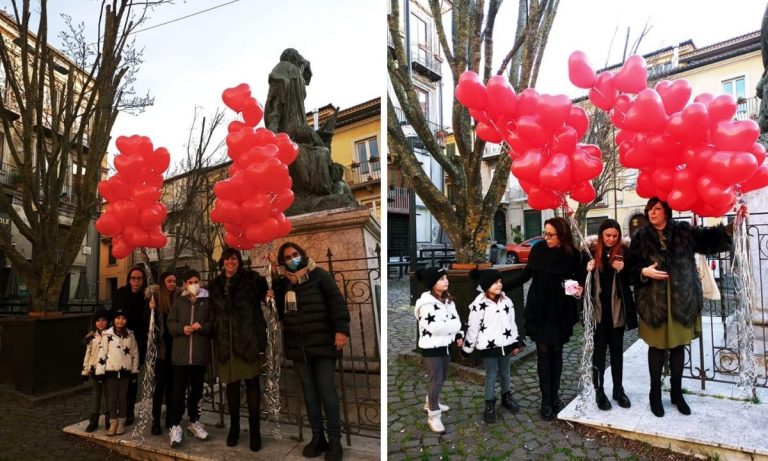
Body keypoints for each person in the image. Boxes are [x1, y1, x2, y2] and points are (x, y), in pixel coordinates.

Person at [627, 198, 737, 417]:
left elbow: (709, 240)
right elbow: (631, 267)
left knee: (678, 348)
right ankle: (655, 394)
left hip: (681, 299)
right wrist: (643, 272)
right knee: (657, 348)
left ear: (666, 211)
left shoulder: (683, 230)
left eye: (657, 209)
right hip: (654, 301)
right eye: (650, 209)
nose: (652, 213)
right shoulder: (640, 237)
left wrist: (732, 226)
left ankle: (677, 394)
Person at [270, 242, 350, 461]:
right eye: (287, 257)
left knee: (326, 390)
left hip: (323, 342)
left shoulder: (318, 275)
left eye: (295, 254)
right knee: (309, 392)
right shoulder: (284, 283)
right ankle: (318, 436)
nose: (292, 259)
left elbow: (336, 302)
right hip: (298, 345)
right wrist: (274, 283)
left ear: (302, 255)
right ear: (282, 261)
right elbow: (279, 311)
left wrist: (341, 329)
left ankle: (335, 440)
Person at [504, 216, 587, 421]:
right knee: (543, 353)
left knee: (557, 352)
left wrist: (581, 285)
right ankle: (545, 400)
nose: (546, 237)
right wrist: (501, 286)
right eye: (545, 233)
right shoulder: (539, 249)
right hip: (540, 309)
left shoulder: (574, 255)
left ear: (562, 235)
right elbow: (526, 275)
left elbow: (580, 281)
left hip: (560, 311)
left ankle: (555, 395)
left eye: (550, 234)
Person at [209, 247, 270, 452]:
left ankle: (255, 432)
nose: (230, 262)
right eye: (227, 259)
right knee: (231, 388)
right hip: (227, 344)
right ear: (222, 262)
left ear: (239, 261)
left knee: (253, 386)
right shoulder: (215, 285)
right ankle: (234, 428)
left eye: (233, 259)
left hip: (248, 341)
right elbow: (210, 312)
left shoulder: (251, 279)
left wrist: (274, 269)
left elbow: (270, 291)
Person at [586, 219, 637, 411]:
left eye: (615, 236)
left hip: (617, 313)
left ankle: (618, 389)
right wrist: (587, 270)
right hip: (598, 314)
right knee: (598, 354)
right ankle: (599, 390)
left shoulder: (625, 253)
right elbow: (580, 283)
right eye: (608, 236)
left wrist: (624, 271)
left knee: (617, 353)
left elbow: (633, 278)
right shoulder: (590, 253)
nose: (611, 239)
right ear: (601, 235)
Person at [462, 269, 523, 424]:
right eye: (495, 282)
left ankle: (506, 397)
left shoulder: (507, 301)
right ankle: (489, 404)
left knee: (505, 373)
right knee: (491, 375)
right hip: (489, 348)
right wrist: (467, 349)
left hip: (506, 345)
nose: (499, 285)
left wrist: (515, 341)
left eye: (500, 282)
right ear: (486, 285)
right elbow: (473, 327)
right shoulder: (479, 305)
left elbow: (512, 323)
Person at [413, 267, 462, 434]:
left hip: (445, 345)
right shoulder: (425, 305)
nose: (446, 280)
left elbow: (457, 322)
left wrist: (457, 333)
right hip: (431, 348)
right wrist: (455, 326)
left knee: (442, 377)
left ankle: (430, 401)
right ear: (433, 284)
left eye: (446, 277)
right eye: (441, 279)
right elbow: (434, 327)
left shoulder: (449, 302)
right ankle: (433, 415)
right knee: (436, 380)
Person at [167, 269, 212, 448]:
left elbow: (213, 324)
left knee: (197, 392)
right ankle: (175, 425)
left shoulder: (207, 301)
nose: (194, 284)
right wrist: (181, 329)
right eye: (190, 281)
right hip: (181, 356)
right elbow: (170, 324)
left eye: (196, 281)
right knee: (177, 392)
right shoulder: (179, 302)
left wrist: (202, 326)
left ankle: (194, 421)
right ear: (185, 284)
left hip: (199, 355)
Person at [111, 266, 150, 426]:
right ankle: (114, 411)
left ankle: (128, 411)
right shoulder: (121, 293)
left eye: (139, 278)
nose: (136, 281)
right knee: (117, 376)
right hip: (120, 340)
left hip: (138, 341)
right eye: (133, 278)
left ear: (143, 280)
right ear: (129, 279)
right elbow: (113, 313)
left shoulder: (148, 296)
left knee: (133, 376)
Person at [96, 308, 139, 436]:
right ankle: (113, 422)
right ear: (114, 320)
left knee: (123, 398)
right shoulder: (107, 335)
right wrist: (100, 372)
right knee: (112, 399)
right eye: (118, 318)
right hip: (111, 372)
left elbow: (135, 353)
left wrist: (135, 370)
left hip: (125, 372)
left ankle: (121, 422)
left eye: (123, 318)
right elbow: (102, 353)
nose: (120, 320)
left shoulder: (130, 335)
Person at [148, 271, 177, 435]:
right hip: (161, 350)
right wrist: (150, 310)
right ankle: (155, 420)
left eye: (174, 281)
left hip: (176, 349)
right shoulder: (156, 299)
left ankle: (170, 419)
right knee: (159, 387)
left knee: (173, 387)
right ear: (163, 283)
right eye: (169, 281)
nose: (172, 283)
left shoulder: (179, 299)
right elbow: (149, 323)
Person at [81, 309, 111, 433]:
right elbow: (88, 354)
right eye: (98, 321)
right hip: (94, 370)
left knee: (108, 395)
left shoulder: (110, 335)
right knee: (96, 395)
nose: (100, 323)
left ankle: (109, 419)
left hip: (107, 370)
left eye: (103, 320)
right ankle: (94, 420)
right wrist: (85, 372)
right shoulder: (91, 337)